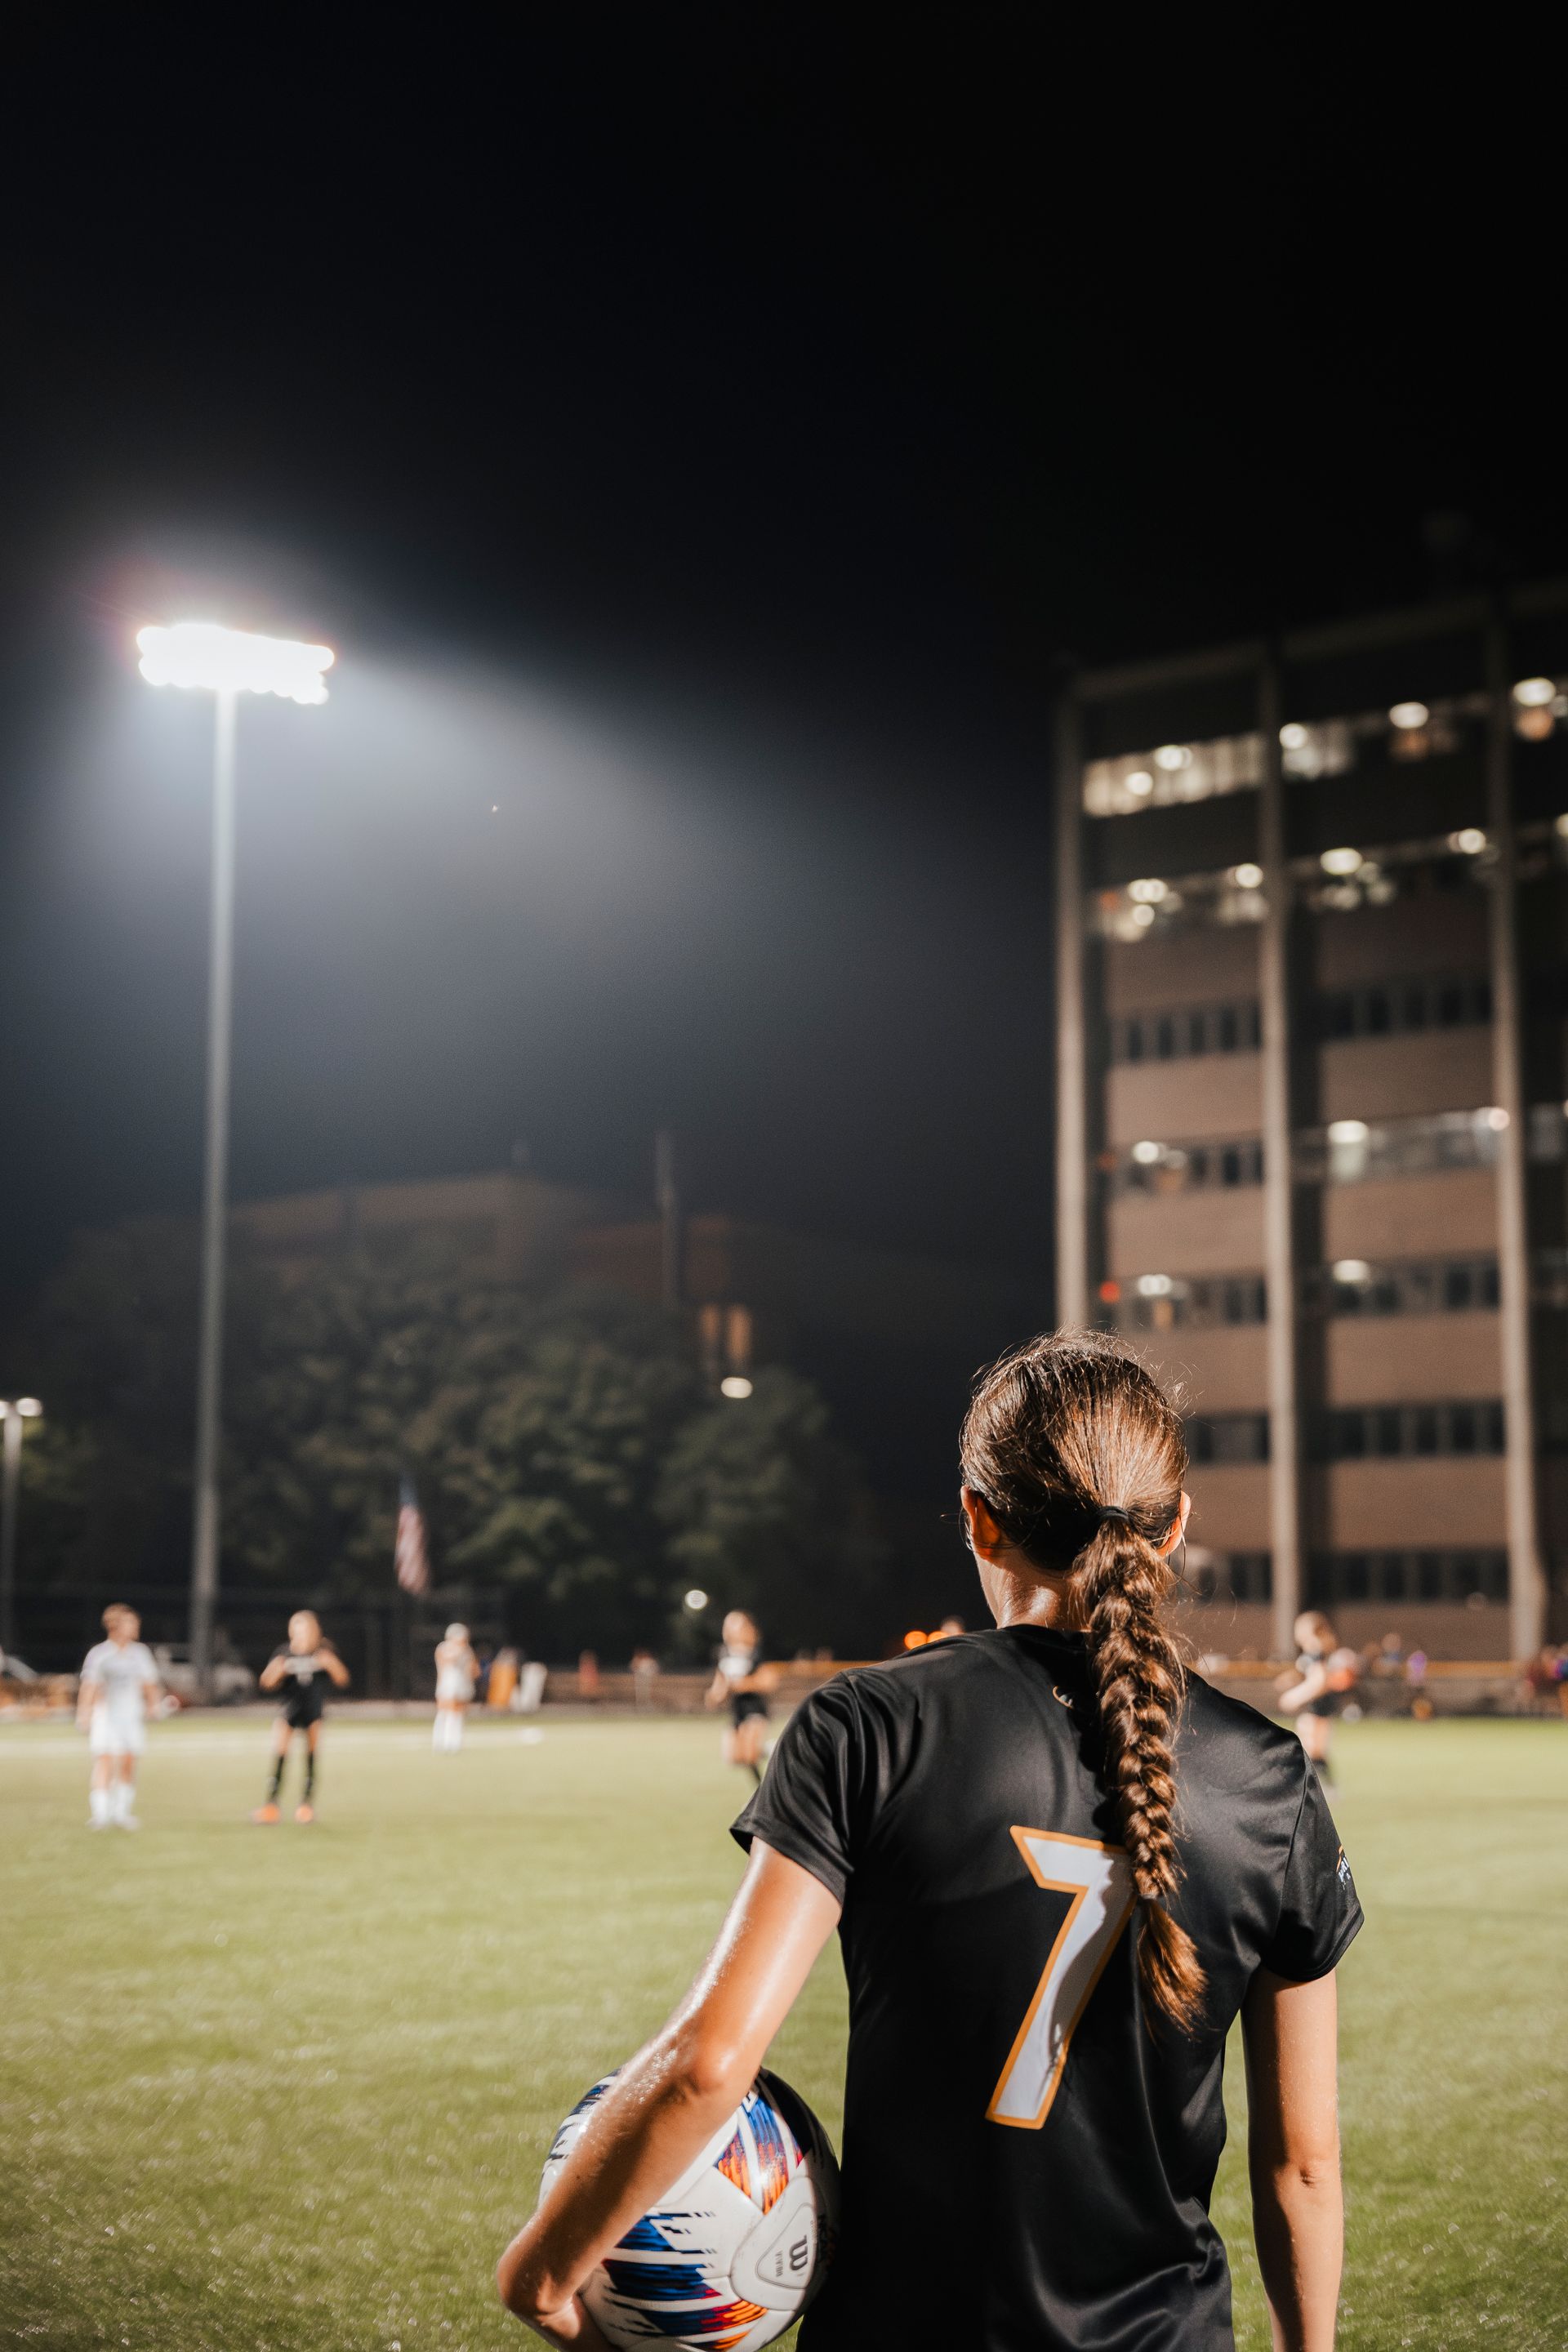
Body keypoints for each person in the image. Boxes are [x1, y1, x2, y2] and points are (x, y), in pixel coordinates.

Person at [498, 1331, 1361, 2352]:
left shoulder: (869, 1726)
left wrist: (543, 2275)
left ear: (977, 1519)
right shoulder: (1271, 1778)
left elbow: (708, 2065)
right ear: (1172, 1528)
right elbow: (1300, 2165)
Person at [252, 1611, 349, 1823]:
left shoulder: (323, 1652)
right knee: (280, 1753)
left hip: (313, 1711)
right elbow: (266, 1682)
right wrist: (278, 1671)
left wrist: (331, 1664)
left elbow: (342, 1679)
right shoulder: (284, 1653)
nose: (302, 1633)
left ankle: (306, 1806)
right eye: (298, 1629)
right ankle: (271, 1806)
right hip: (289, 1710)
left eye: (306, 1629)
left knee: (311, 1757)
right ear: (291, 1631)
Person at [77, 1606, 162, 1829]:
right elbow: (90, 1686)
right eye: (130, 1623)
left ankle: (122, 1813)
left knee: (127, 1762)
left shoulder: (140, 1653)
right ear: (115, 1626)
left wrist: (154, 1706)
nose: (135, 1627)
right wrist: (84, 1714)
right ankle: (101, 1813)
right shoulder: (100, 1654)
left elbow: (149, 1683)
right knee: (104, 1761)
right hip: (106, 1716)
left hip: (131, 1717)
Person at [1277, 1610, 1356, 1780]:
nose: (1296, 1633)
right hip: (1325, 1704)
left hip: (1318, 1704)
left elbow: (1319, 1681)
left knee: (1308, 1749)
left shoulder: (1314, 1648)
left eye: (1299, 1628)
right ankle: (1327, 1788)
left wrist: (1295, 1696)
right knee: (1315, 1751)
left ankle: (1314, 1788)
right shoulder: (1317, 1648)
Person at [703, 1607, 777, 1786]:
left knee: (749, 1754)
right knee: (735, 1758)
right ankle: (770, 1749)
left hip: (755, 1709)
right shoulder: (723, 1654)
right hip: (736, 1711)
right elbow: (718, 1686)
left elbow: (768, 1682)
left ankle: (763, 1793)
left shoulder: (757, 1653)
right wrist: (715, 1696)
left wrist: (740, 1685)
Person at [434, 1621, 479, 1752]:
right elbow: (447, 1662)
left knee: (458, 1713)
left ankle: (454, 1741)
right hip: (448, 1684)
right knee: (445, 1712)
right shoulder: (445, 1648)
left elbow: (474, 1670)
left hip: (462, 1684)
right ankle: (442, 1742)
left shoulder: (467, 1650)